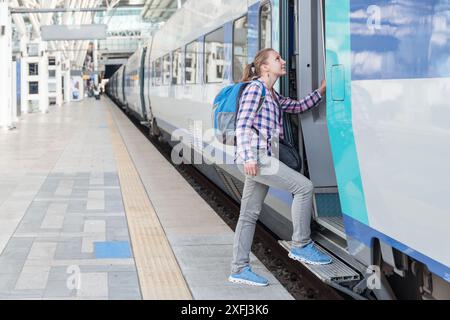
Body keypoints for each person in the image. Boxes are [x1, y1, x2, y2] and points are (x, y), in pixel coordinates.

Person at [229, 48, 332, 287]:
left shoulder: (271, 94)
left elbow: (296, 106)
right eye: (277, 59)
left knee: (248, 215)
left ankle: (238, 268)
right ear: (265, 67)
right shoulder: (255, 89)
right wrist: (248, 158)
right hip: (257, 157)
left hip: (259, 157)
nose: (283, 61)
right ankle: (301, 245)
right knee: (304, 188)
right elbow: (242, 124)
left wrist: (321, 91)